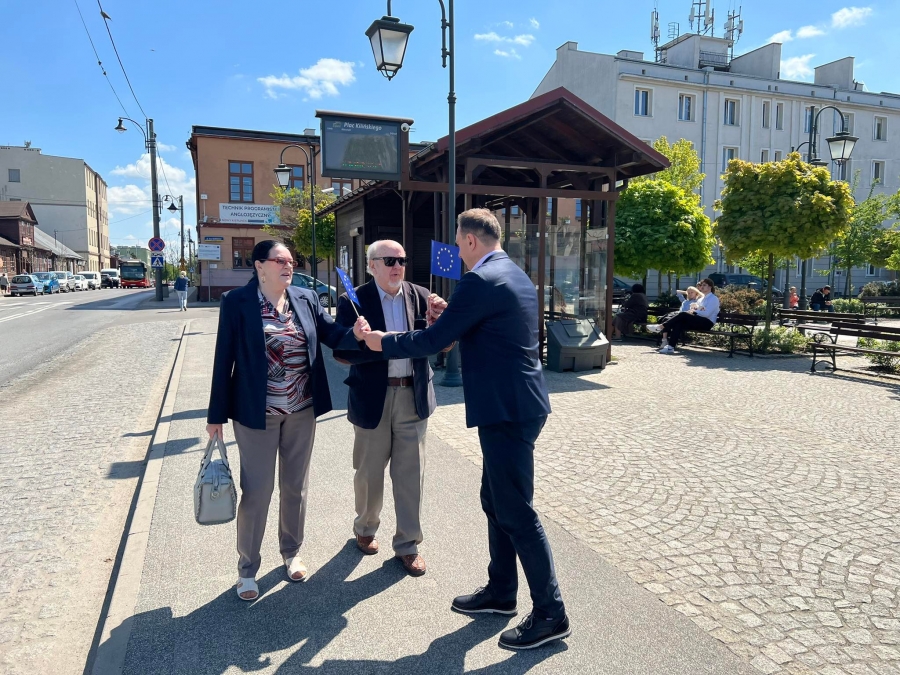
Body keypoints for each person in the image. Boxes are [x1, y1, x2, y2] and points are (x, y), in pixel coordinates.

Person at [363, 208, 570, 651]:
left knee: (516, 511)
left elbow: (433, 341)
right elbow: (480, 328)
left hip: (506, 409)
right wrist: (450, 312)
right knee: (495, 501)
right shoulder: (512, 273)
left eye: (458, 244)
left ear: (471, 240)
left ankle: (551, 614)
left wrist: (383, 341)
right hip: (516, 404)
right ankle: (501, 591)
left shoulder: (480, 280)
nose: (457, 252)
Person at [206, 240, 370, 602]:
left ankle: (291, 552)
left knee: (295, 487)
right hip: (256, 414)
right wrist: (215, 415)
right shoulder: (236, 302)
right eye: (280, 260)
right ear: (259, 266)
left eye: (291, 261)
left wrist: (355, 335)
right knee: (257, 491)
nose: (288, 265)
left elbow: (331, 334)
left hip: (301, 410)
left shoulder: (305, 298)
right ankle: (247, 568)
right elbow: (223, 358)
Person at [332, 239, 449, 578]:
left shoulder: (422, 296)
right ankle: (365, 527)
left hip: (413, 395)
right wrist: (359, 339)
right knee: (369, 473)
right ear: (372, 266)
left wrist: (441, 322)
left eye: (402, 260)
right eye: (389, 260)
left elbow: (444, 344)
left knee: (411, 474)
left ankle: (408, 545)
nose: (398, 266)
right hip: (373, 397)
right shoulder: (353, 301)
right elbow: (341, 353)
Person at [647, 278, 719, 354]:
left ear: (710, 287)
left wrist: (694, 311)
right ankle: (670, 347)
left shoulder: (713, 299)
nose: (702, 287)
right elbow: (697, 310)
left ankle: (661, 327)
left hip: (707, 322)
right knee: (679, 323)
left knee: (683, 314)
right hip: (698, 320)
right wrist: (693, 309)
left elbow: (707, 314)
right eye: (701, 285)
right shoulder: (700, 299)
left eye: (704, 285)